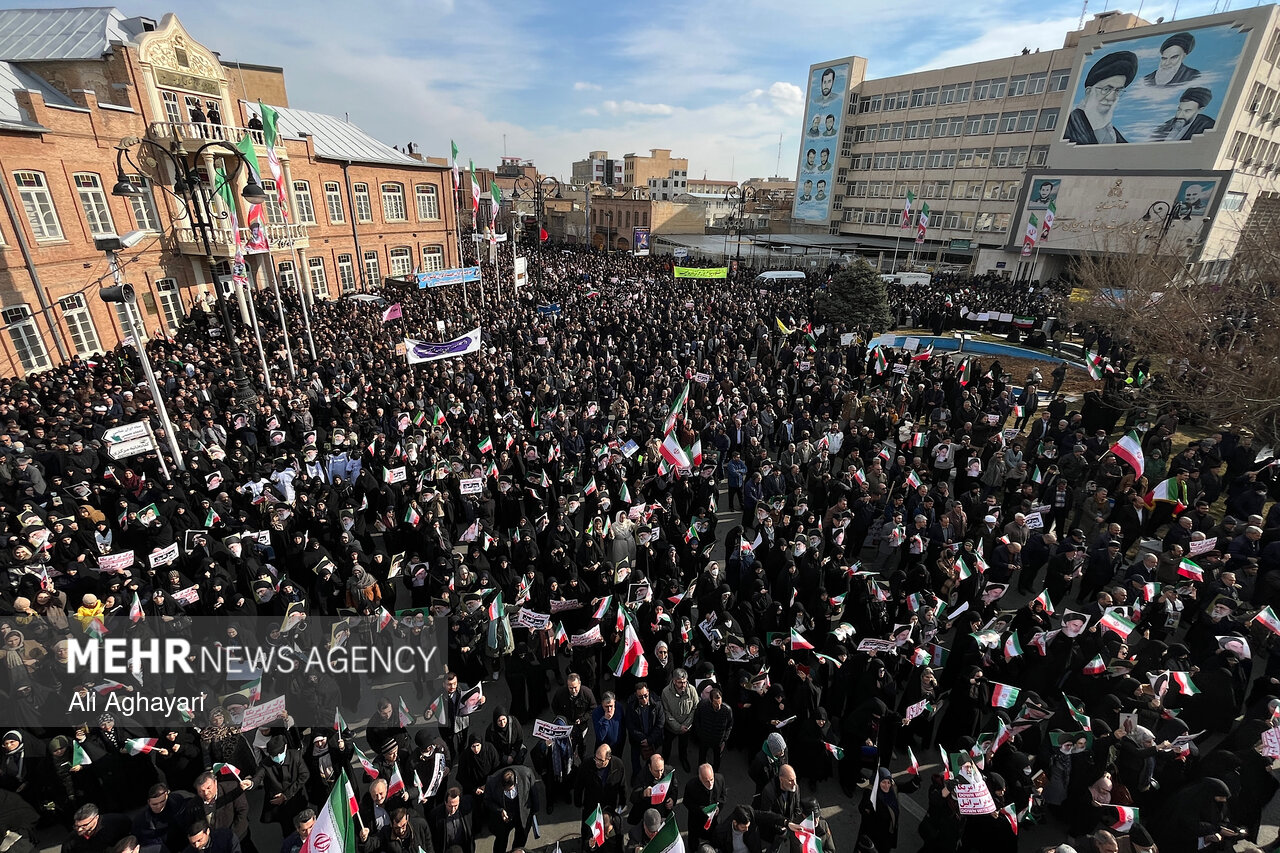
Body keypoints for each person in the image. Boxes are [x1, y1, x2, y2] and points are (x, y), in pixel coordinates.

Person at [1064, 51, 1138, 144]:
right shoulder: (1069, 127)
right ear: (1088, 92)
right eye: (1106, 89)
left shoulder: (1115, 136)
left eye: (1118, 91)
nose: (1111, 97)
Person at [484, 766, 540, 853]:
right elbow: (487, 800)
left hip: (522, 814)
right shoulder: (491, 781)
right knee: (501, 841)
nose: (509, 793)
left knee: (520, 840)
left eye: (510, 790)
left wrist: (534, 812)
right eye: (506, 791)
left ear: (516, 782)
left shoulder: (526, 774)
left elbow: (534, 794)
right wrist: (500, 810)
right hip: (503, 819)